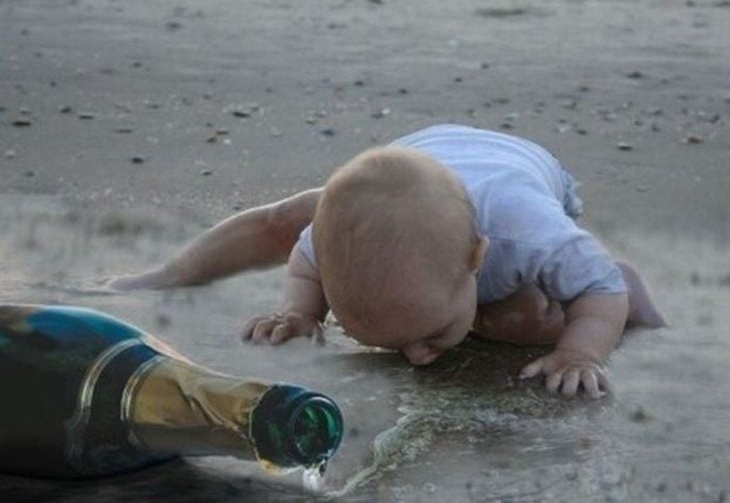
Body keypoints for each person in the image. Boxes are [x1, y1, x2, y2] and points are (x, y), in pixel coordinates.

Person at [111, 124, 665, 398]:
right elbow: (306, 263)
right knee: (289, 216)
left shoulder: (527, 234)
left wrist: (579, 350)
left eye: (428, 334)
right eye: (393, 343)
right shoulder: (329, 239)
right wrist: (302, 310)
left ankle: (621, 282)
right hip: (409, 165)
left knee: (524, 319)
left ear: (477, 258)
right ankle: (173, 272)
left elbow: (596, 295)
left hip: (520, 168)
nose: (418, 360)